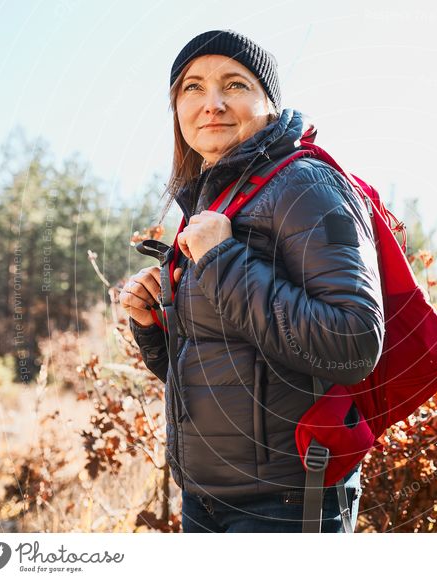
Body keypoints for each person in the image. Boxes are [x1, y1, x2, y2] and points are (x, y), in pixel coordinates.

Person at [119, 30, 384, 533]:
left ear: (269, 102)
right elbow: (220, 370)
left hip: (287, 501)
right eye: (192, 88)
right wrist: (153, 327)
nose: (211, 104)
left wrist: (222, 262)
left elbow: (353, 341)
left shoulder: (306, 184)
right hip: (205, 500)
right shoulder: (214, 202)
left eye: (234, 85)